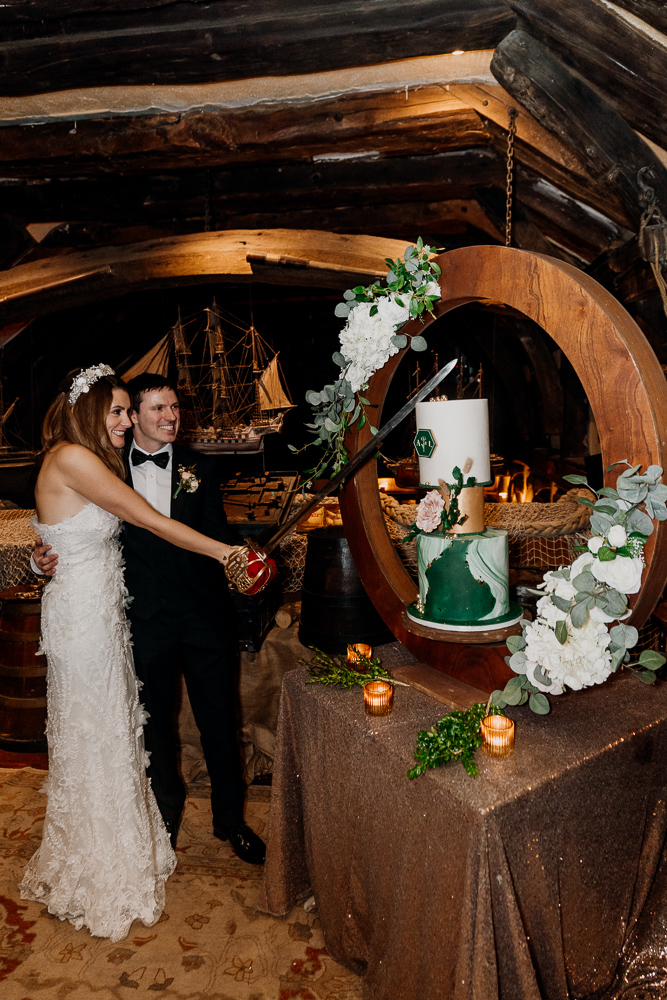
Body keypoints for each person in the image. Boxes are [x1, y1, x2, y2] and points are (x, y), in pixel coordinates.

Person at [21, 364, 243, 941]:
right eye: (117, 411)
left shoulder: (89, 459)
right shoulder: (75, 458)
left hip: (104, 615)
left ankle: (115, 842)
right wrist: (228, 555)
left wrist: (37, 559)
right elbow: (146, 520)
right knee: (99, 731)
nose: (124, 421)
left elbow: (55, 533)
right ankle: (98, 863)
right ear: (88, 408)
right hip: (87, 622)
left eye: (127, 411)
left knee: (113, 731)